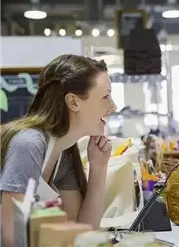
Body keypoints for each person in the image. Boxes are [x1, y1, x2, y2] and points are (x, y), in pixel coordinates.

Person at [0, 54, 117, 247]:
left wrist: (99, 168)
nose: (113, 106)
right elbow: (11, 239)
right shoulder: (29, 144)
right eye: (105, 96)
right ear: (73, 102)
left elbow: (83, 234)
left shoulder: (64, 152)